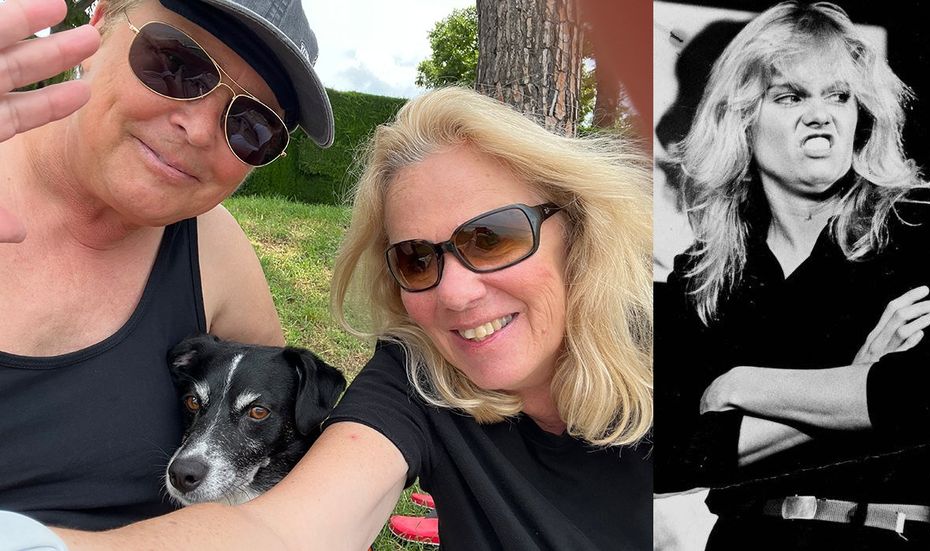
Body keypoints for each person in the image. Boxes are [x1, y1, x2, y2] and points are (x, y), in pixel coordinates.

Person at [49, 86, 653, 549]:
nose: (458, 294)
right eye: (416, 259)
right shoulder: (423, 373)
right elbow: (290, 531)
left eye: (492, 238)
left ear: (577, 228)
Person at [654, 2, 930, 550]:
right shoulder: (703, 273)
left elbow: (921, 402)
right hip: (745, 539)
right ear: (743, 117)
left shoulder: (925, 228)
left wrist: (739, 385)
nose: (821, 115)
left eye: (839, 95)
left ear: (861, 114)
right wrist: (856, 378)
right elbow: (668, 455)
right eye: (790, 96)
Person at [0, 0, 332, 533]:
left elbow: (303, 444)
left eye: (251, 124)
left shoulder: (213, 249)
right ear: (100, 22)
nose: (200, 129)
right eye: (175, 63)